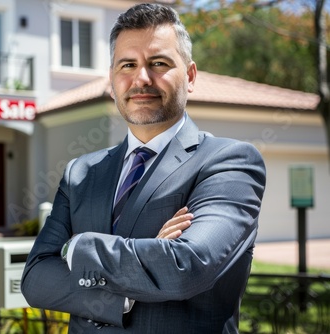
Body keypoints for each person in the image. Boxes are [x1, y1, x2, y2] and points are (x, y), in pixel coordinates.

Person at [21, 3, 266, 333]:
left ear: (190, 76)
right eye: (127, 65)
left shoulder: (229, 163)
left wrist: (75, 248)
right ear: (112, 80)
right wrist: (127, 290)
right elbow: (35, 279)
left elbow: (186, 265)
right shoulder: (81, 172)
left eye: (159, 63)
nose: (141, 78)